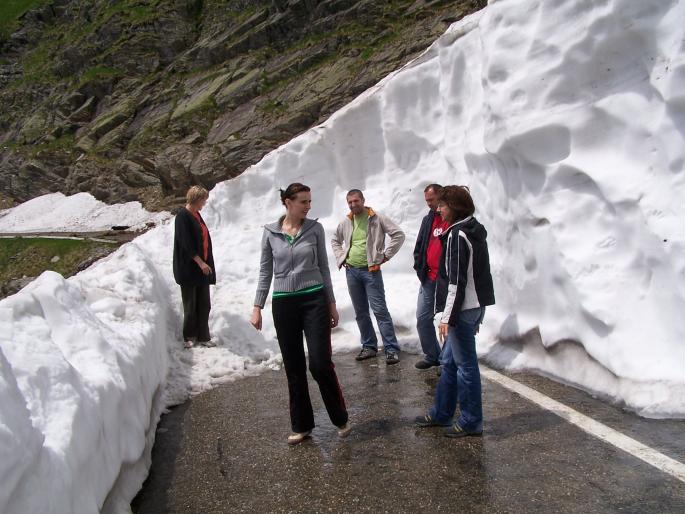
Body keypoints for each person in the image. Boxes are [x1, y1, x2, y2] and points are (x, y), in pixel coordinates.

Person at [251, 183, 350, 445]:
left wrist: (331, 303)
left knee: (319, 363)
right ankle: (302, 425)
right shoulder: (271, 233)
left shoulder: (315, 229)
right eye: (303, 201)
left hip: (314, 299)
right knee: (293, 367)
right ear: (288, 202)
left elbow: (325, 268)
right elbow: (265, 272)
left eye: (309, 201)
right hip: (283, 303)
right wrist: (257, 306)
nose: (308, 206)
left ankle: (340, 417)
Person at [414, 185, 495, 437]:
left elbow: (456, 281)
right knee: (448, 362)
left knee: (466, 367)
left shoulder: (458, 235)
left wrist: (447, 318)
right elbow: (482, 274)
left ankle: (472, 421)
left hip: (461, 309)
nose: (439, 209)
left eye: (443, 205)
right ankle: (442, 413)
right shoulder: (473, 229)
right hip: (471, 306)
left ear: (455, 207)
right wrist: (478, 310)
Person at [331, 189, 405, 365]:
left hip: (371, 271)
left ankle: (391, 348)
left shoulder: (377, 218)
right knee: (361, 312)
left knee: (380, 310)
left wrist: (385, 256)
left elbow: (398, 235)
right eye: (349, 202)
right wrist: (342, 256)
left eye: (356, 201)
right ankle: (369, 346)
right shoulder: (347, 221)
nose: (353, 204)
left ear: (363, 200)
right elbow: (335, 240)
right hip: (352, 272)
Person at [173, 185, 216, 349]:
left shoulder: (197, 215)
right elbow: (186, 244)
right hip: (190, 268)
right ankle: (189, 336)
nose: (204, 203)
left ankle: (203, 336)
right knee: (191, 304)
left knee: (204, 303)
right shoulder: (183, 216)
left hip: (201, 268)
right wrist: (200, 262)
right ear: (197, 199)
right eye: (203, 200)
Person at [412, 184, 449, 370]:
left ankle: (447, 361)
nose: (429, 204)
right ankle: (432, 354)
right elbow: (420, 244)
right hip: (429, 277)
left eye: (432, 200)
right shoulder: (428, 219)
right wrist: (419, 264)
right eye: (426, 200)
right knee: (422, 317)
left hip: (447, 279)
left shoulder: (450, 219)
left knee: (448, 319)